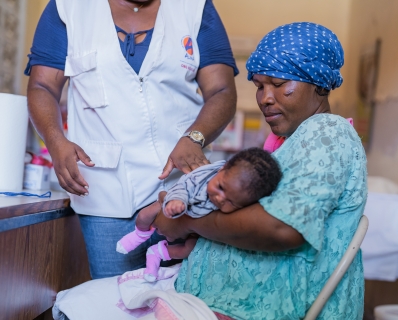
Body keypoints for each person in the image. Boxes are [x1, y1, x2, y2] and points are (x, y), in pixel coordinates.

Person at [151, 22, 367, 319]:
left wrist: (187, 222)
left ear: (319, 83)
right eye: (259, 86)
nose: (265, 98)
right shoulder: (288, 143)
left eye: (278, 84)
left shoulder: (327, 132)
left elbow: (283, 228)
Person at [25, 0, 238, 279]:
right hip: (105, 192)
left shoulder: (194, 7)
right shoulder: (69, 7)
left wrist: (194, 137)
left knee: (183, 299)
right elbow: (42, 86)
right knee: (114, 300)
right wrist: (55, 141)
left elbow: (222, 91)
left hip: (180, 188)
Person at [116, 148, 282, 282]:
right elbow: (183, 186)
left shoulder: (242, 197)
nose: (219, 198)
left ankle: (157, 253)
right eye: (220, 187)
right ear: (222, 169)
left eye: (231, 202)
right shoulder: (203, 175)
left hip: (197, 227)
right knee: (146, 215)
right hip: (175, 202)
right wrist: (176, 201)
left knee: (189, 250)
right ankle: (139, 235)